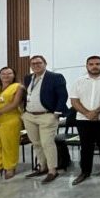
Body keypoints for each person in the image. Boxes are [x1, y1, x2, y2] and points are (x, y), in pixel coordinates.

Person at [69, 56, 100, 185]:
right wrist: (87, 113)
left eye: (97, 64)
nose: (94, 66)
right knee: (86, 146)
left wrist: (96, 112)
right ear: (87, 66)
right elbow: (74, 100)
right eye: (91, 64)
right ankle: (85, 171)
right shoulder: (79, 81)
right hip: (83, 119)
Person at [21, 55, 68, 183]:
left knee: (47, 143)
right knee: (36, 143)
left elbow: (63, 95)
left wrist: (56, 113)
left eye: (39, 63)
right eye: (33, 63)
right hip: (29, 115)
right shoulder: (28, 78)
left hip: (47, 115)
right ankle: (43, 167)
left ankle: (52, 170)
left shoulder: (55, 77)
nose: (36, 65)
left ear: (45, 64)